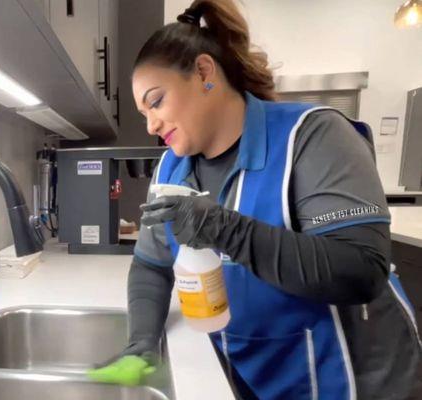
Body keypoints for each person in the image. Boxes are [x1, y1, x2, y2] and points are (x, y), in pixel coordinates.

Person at [87, 1, 421, 398]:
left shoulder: (313, 137)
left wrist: (225, 229)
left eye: (156, 101)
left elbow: (362, 271)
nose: (151, 124)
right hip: (250, 376)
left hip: (352, 382)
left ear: (204, 73)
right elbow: (150, 265)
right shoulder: (171, 169)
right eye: (144, 112)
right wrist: (142, 340)